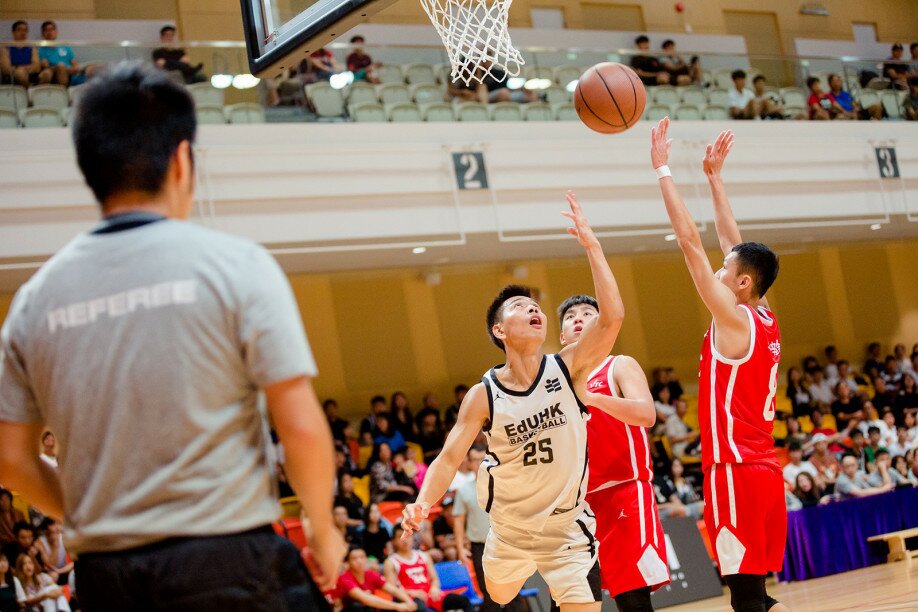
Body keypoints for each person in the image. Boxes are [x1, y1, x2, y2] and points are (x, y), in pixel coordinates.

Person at [0, 62, 344, 609]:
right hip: (229, 564)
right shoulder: (238, 266)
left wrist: (101, 517)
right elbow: (300, 427)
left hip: (106, 581)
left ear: (91, 167)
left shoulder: (31, 303)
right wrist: (323, 530)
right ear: (183, 159)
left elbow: (13, 461)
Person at [402, 192, 624, 611]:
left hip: (566, 526)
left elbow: (612, 318)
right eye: (520, 307)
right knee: (500, 594)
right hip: (510, 530)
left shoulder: (569, 367)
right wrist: (421, 504)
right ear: (500, 330)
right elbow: (449, 459)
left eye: (535, 306)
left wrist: (592, 245)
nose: (533, 309)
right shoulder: (483, 394)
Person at [651, 119, 787, 612]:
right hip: (765, 469)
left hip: (735, 469)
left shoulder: (732, 321)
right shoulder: (764, 315)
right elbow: (734, 241)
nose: (718, 267)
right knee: (757, 592)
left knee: (745, 597)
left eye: (725, 269)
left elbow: (690, 244)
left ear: (742, 284)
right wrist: (714, 179)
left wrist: (662, 169)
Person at [557, 292, 665, 611]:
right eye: (571, 315)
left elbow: (646, 414)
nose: (578, 318)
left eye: (588, 313)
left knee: (631, 598)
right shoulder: (551, 383)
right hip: (575, 504)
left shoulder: (618, 365)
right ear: (562, 335)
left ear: (603, 325)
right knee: (573, 602)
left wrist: (591, 397)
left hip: (623, 492)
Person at [452, 445, 523, 612]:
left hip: (506, 543)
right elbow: (458, 522)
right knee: (489, 593)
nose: (479, 463)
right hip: (480, 547)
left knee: (515, 592)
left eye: (482, 459)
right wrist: (460, 548)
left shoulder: (502, 484)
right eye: (475, 460)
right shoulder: (463, 490)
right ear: (469, 463)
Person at [385, 525, 472, 612]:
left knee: (464, 601)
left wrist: (434, 588)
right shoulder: (391, 562)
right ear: (394, 541)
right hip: (410, 597)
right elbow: (392, 589)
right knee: (420, 608)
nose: (405, 539)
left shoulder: (424, 555)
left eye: (408, 535)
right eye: (400, 536)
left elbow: (434, 578)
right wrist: (412, 593)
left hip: (430, 594)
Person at [337, 546, 418, 612]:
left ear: (366, 558)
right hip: (349, 609)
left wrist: (409, 602)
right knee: (357, 606)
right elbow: (366, 599)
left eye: (362, 557)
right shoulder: (345, 578)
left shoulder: (370, 574)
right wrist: (398, 606)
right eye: (354, 558)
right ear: (348, 562)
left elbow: (393, 590)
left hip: (369, 608)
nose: (359, 561)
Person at [1, 21, 50, 88]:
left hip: (30, 75)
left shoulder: (32, 48)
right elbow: (5, 69)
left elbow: (36, 66)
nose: (23, 33)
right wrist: (20, 70)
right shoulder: (6, 48)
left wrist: (23, 69)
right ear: (13, 32)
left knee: (47, 73)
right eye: (20, 30)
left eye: (25, 30)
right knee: (20, 73)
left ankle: (36, 93)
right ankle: (30, 92)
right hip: (13, 77)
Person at [34, 519, 71, 586]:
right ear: (45, 531)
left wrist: (60, 570)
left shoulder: (63, 538)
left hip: (65, 569)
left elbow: (73, 562)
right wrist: (55, 546)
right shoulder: (40, 542)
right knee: (53, 575)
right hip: (50, 572)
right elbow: (51, 564)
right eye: (50, 532)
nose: (54, 534)